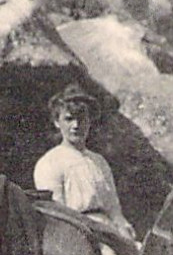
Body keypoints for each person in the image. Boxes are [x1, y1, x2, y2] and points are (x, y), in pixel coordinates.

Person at [32, 84, 133, 238]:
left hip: (108, 231)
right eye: (69, 119)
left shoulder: (99, 162)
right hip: (76, 234)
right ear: (57, 122)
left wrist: (123, 227)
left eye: (82, 119)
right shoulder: (50, 163)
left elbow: (113, 208)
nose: (76, 125)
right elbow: (56, 215)